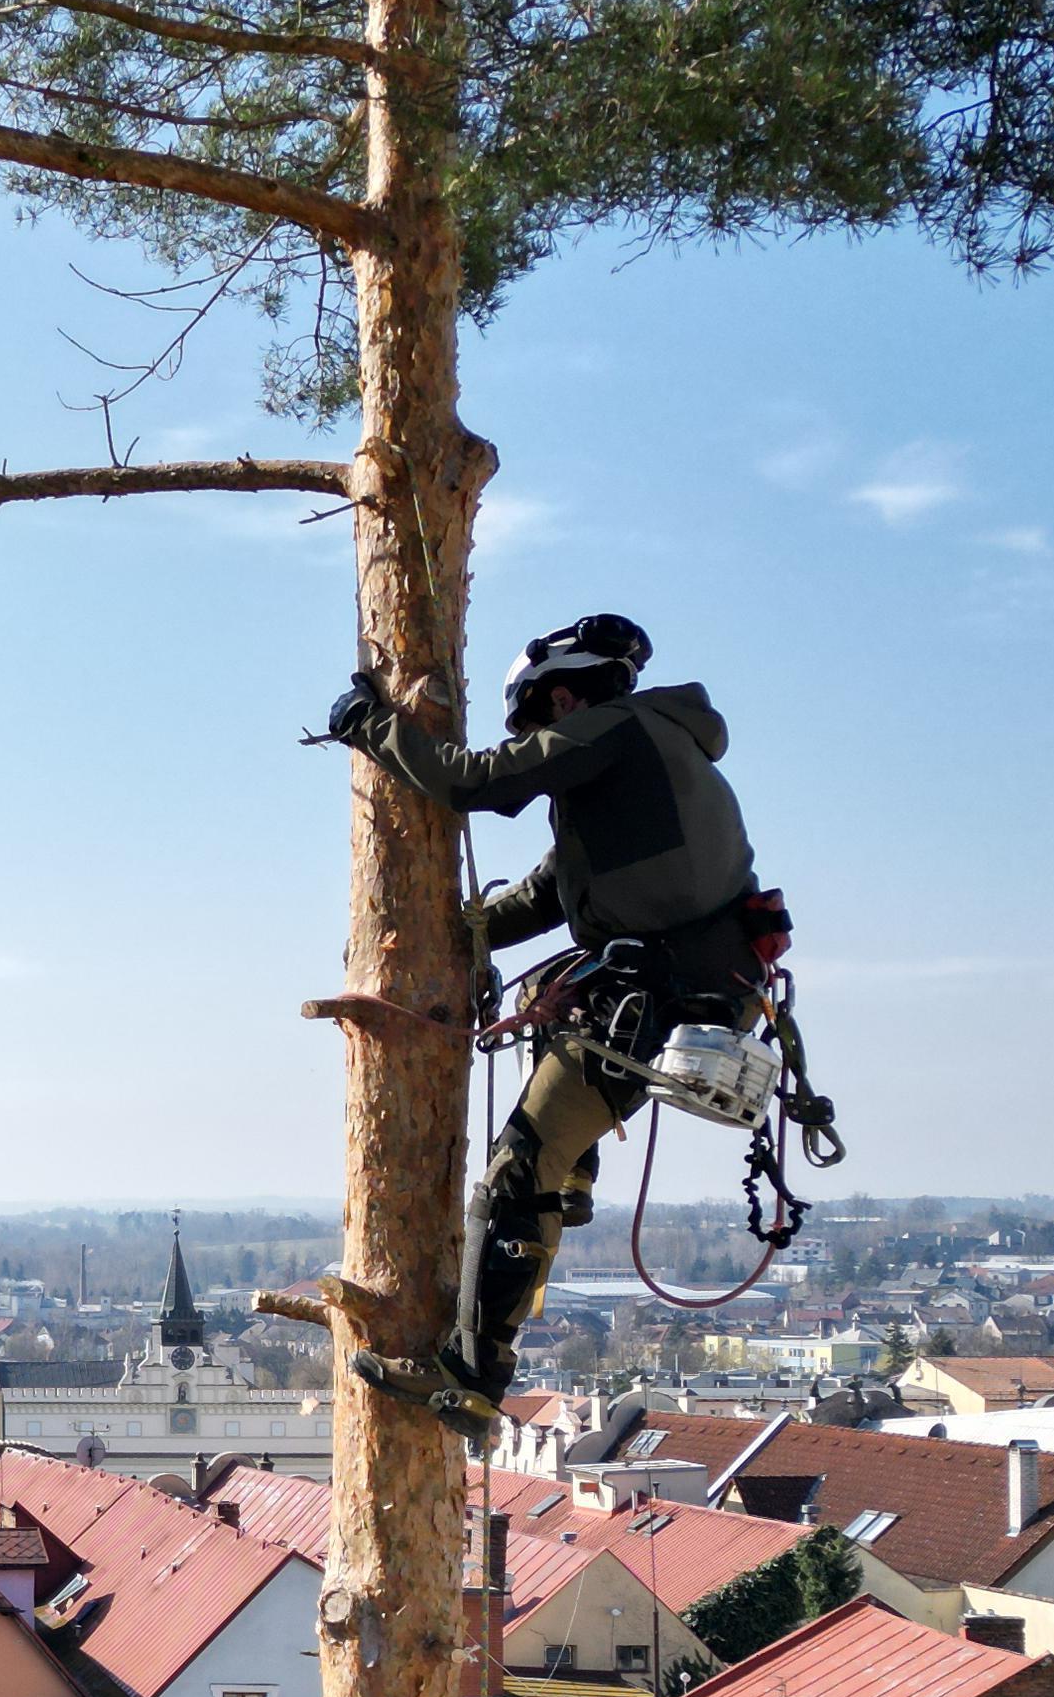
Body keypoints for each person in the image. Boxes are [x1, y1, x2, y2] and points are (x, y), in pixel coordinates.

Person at [324, 612, 766, 1429]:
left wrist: (371, 728)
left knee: (516, 1172)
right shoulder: (647, 758)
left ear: (561, 696)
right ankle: (566, 1191)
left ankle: (471, 1375)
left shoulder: (613, 730)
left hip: (654, 992)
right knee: (540, 1167)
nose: (532, 739)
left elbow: (473, 781)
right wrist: (456, 929)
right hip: (681, 989)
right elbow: (550, 889)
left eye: (532, 721)